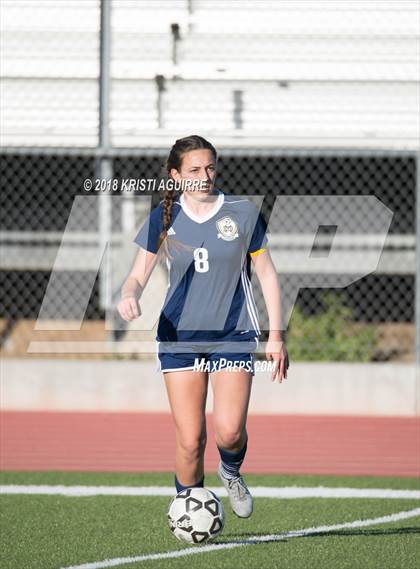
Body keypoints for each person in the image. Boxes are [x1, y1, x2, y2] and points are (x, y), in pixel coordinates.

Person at [118, 135, 289, 518]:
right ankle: (188, 509)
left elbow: (266, 274)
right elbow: (136, 276)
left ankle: (230, 470)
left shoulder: (242, 213)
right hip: (179, 340)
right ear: (176, 175)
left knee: (228, 432)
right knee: (191, 439)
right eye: (194, 169)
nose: (204, 176)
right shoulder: (164, 217)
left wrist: (275, 336)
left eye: (210, 167)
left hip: (233, 335)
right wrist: (128, 295)